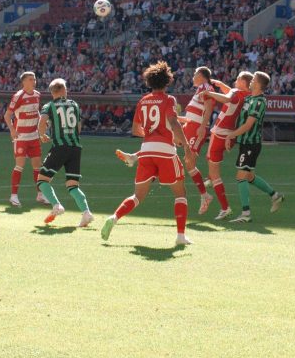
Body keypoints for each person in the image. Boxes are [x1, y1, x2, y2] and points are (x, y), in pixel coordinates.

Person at [102, 61, 192, 246]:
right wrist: (187, 147)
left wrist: (153, 135)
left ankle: (114, 217)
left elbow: (136, 129)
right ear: (167, 81)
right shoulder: (169, 100)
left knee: (137, 196)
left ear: (149, 81)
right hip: (166, 152)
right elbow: (174, 124)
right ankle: (181, 236)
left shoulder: (143, 101)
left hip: (146, 150)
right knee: (180, 193)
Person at [116, 66, 215, 214]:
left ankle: (205, 195)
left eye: (195, 74)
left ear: (201, 75)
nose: (193, 76)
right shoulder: (198, 89)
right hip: (189, 126)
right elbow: (187, 117)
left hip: (195, 129)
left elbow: (209, 106)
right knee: (166, 146)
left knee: (189, 162)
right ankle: (135, 158)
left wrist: (202, 126)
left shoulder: (206, 87)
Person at [227, 71, 285, 222]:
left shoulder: (259, 102)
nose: (250, 81)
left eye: (253, 79)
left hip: (251, 144)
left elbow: (248, 125)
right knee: (249, 177)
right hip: (245, 143)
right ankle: (275, 196)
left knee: (240, 176)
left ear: (258, 84)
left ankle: (246, 214)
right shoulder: (249, 98)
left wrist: (231, 135)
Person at [35, 78, 93, 228]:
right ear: (63, 90)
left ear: (52, 92)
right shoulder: (74, 105)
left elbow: (42, 123)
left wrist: (42, 135)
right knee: (73, 185)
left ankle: (56, 205)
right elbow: (78, 128)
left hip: (60, 147)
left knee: (42, 180)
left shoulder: (49, 106)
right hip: (75, 147)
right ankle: (86, 213)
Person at [202, 71, 253, 220]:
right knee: (212, 162)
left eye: (238, 79)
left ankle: (225, 207)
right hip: (231, 135)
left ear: (243, 83)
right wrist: (220, 85)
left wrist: (210, 93)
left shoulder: (236, 93)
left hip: (219, 133)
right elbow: (231, 95)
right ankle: (210, 179)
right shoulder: (246, 95)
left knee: (214, 170)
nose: (235, 81)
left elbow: (227, 98)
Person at [4, 72, 48, 208]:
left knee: (37, 165)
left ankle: (40, 194)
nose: (34, 81)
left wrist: (42, 124)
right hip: (21, 136)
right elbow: (7, 115)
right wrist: (12, 129)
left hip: (34, 136)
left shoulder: (37, 95)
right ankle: (14, 196)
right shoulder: (18, 96)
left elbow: (37, 112)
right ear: (24, 81)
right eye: (31, 79)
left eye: (34, 78)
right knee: (20, 165)